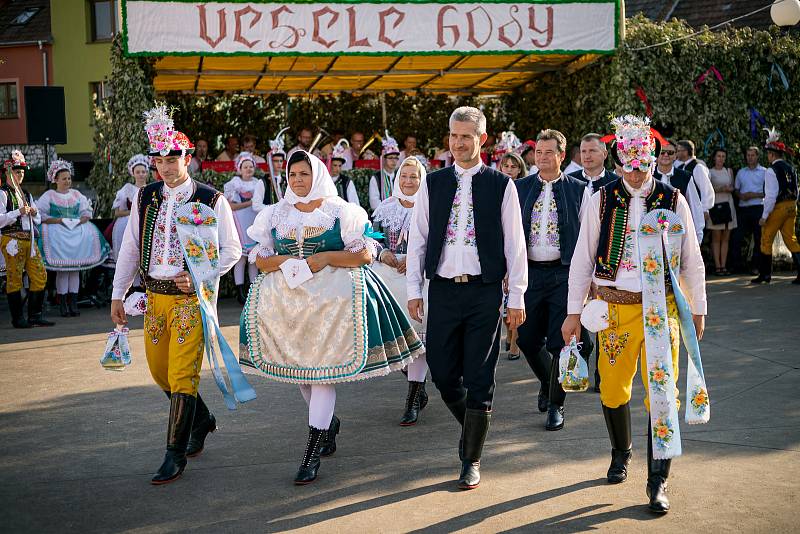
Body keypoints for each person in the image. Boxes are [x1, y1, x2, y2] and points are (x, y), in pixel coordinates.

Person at [240, 150, 424, 484]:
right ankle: (328, 423)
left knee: (322, 375)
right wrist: (283, 262)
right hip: (289, 304)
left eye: (304, 174)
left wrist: (325, 256)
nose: (297, 180)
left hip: (331, 304)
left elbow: (364, 254)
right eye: (293, 174)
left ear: (318, 176)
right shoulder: (274, 215)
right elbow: (261, 259)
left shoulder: (340, 211)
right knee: (302, 375)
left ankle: (311, 451)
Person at [564, 115, 708, 514]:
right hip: (614, 308)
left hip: (662, 311)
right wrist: (573, 312)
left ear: (651, 157)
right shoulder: (601, 199)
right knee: (612, 390)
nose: (634, 168)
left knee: (664, 393)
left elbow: (692, 260)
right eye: (627, 160)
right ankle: (621, 449)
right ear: (618, 159)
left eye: (641, 159)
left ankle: (658, 481)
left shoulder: (673, 198)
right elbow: (581, 259)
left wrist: (697, 308)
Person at [111, 104, 243, 485]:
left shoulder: (210, 198)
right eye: (160, 162)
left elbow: (232, 251)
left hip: (191, 301)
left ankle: (174, 453)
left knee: (183, 374)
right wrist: (118, 294)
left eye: (173, 159)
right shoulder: (146, 196)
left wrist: (200, 273)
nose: (166, 167)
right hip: (154, 298)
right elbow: (131, 248)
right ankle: (201, 420)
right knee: (159, 371)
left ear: (188, 158)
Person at [406, 106, 527, 490]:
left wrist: (517, 297)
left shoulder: (500, 185)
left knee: (479, 376)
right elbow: (418, 239)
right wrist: (413, 289)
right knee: (442, 373)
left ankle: (470, 458)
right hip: (441, 289)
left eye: (466, 136)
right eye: (453, 136)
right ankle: (475, 429)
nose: (458, 143)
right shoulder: (434, 183)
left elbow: (515, 245)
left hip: (484, 291)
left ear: (482, 140)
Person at [514, 129, 591, 431]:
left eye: (549, 153)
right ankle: (548, 383)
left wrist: (590, 279)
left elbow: (587, 237)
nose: (543, 158)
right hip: (529, 272)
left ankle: (556, 405)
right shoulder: (519, 188)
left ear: (561, 155)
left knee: (562, 343)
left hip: (565, 273)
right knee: (527, 340)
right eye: (539, 153)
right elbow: (508, 234)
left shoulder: (579, 189)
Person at [372, 156, 430, 425]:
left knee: (418, 343)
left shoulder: (430, 206)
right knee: (394, 341)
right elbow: (370, 239)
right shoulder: (386, 207)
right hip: (388, 277)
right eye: (404, 176)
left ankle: (412, 399)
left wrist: (415, 258)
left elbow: (439, 243)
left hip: (419, 279)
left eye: (414, 177)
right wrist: (382, 252)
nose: (408, 181)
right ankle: (418, 386)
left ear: (422, 179)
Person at [37, 159, 110, 317]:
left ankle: (73, 303)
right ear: (55, 179)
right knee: (63, 271)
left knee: (75, 270)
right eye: (64, 178)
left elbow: (86, 213)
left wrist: (80, 220)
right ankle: (63, 303)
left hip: (76, 234)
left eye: (69, 178)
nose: (67, 181)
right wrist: (59, 220)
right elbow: (39, 215)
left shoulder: (76, 194)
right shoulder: (49, 195)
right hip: (58, 235)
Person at [0, 151, 53, 328]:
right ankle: (17, 318)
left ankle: (34, 316)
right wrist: (18, 212)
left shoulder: (27, 194)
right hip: (11, 240)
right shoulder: (3, 194)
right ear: (8, 173)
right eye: (17, 172)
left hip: (29, 241)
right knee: (14, 278)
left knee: (40, 275)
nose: (20, 175)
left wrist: (34, 212)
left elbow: (36, 218)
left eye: (22, 172)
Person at [751, 128, 800, 284]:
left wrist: (764, 217)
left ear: (772, 155)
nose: (767, 156)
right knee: (791, 239)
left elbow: (771, 196)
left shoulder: (771, 170)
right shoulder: (791, 168)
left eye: (768, 154)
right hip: (792, 206)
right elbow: (797, 190)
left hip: (778, 208)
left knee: (766, 239)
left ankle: (765, 275)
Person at [499, 152, 528, 361]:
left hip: (517, 248)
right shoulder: (496, 187)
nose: (509, 169)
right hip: (498, 249)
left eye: (513, 166)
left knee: (515, 298)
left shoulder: (523, 189)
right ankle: (509, 335)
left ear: (520, 169)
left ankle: (515, 343)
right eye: (505, 165)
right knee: (502, 301)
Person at [224, 152, 260, 303]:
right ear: (240, 169)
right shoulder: (235, 183)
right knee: (241, 258)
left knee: (253, 259)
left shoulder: (258, 182)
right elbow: (230, 206)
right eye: (245, 167)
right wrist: (250, 203)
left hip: (254, 222)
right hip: (240, 222)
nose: (248, 169)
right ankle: (240, 291)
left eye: (251, 166)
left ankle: (253, 290)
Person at [653, 139, 704, 244]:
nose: (666, 155)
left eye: (670, 152)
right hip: (652, 231)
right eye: (662, 152)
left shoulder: (685, 177)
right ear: (656, 155)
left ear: (676, 155)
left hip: (679, 230)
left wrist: (698, 235)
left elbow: (695, 206)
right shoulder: (648, 176)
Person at [732, 147, 766, 273]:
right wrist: (740, 195)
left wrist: (753, 195)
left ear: (757, 156)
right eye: (748, 155)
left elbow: (769, 192)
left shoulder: (764, 172)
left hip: (758, 207)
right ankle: (737, 266)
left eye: (752, 155)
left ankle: (756, 267)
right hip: (743, 208)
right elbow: (736, 189)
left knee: (758, 238)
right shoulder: (741, 172)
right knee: (737, 237)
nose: (750, 157)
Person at [111, 155, 150, 266]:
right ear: (133, 173)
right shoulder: (127, 189)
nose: (141, 174)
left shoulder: (151, 189)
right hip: (128, 225)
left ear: (147, 173)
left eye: (143, 172)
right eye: (138, 172)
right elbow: (117, 212)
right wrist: (135, 212)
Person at [675, 139, 715, 240]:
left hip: (694, 208)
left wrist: (704, 209)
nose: (677, 153)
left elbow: (707, 190)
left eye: (679, 150)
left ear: (686, 151)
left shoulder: (698, 167)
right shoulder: (677, 165)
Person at [707, 148, 737, 275]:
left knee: (726, 238)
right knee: (716, 238)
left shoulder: (729, 171)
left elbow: (733, 187)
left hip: (728, 205)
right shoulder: (709, 172)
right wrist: (720, 188)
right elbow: (707, 189)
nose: (721, 158)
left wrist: (730, 189)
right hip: (716, 206)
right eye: (718, 156)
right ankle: (718, 267)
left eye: (723, 156)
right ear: (714, 157)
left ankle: (723, 266)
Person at [252, 128, 289, 212]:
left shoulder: (286, 181)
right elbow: (256, 206)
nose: (279, 163)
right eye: (276, 161)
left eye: (281, 161)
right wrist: (274, 209)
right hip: (268, 220)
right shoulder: (262, 182)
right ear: (269, 162)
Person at [368, 133, 400, 212]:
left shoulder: (400, 176)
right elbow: (374, 203)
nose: (394, 161)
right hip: (382, 216)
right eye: (390, 158)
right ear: (384, 159)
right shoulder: (376, 178)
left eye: (396, 158)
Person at [329, 140, 360, 205]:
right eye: (335, 165)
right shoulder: (324, 180)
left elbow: (354, 202)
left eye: (340, 166)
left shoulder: (346, 181)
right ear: (329, 165)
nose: (337, 169)